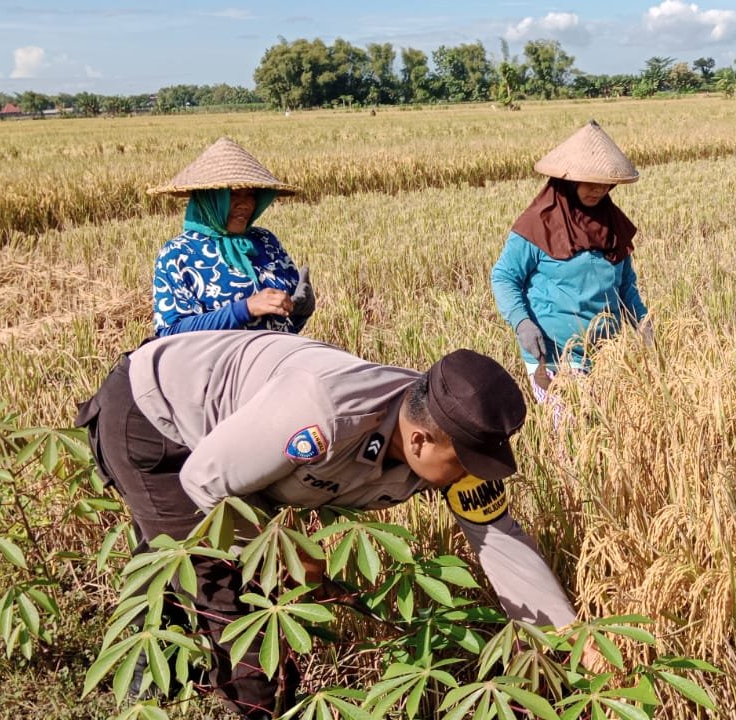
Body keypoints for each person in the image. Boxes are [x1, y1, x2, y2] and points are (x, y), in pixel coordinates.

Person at [75, 330, 593, 718]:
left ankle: (148, 679)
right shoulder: (323, 416)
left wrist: (568, 637)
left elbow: (499, 538)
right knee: (227, 598)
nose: (467, 477)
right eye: (465, 463)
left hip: (240, 450)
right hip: (158, 418)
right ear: (419, 442)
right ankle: (166, 693)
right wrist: (284, 554)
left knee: (201, 574)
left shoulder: (444, 439)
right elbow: (207, 482)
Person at [490, 120, 647, 396]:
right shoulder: (537, 225)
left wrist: (645, 327)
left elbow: (625, 288)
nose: (599, 190)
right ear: (569, 180)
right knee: (570, 433)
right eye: (591, 182)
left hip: (608, 354)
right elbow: (504, 276)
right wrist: (522, 322)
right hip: (553, 356)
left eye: (606, 183)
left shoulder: (613, 227)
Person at [147, 137, 315, 337]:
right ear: (209, 198)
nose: (245, 204)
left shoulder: (266, 242)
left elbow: (286, 322)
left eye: (251, 195)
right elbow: (171, 331)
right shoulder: (178, 254)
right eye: (234, 195)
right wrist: (245, 309)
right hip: (222, 362)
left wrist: (301, 310)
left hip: (279, 353)